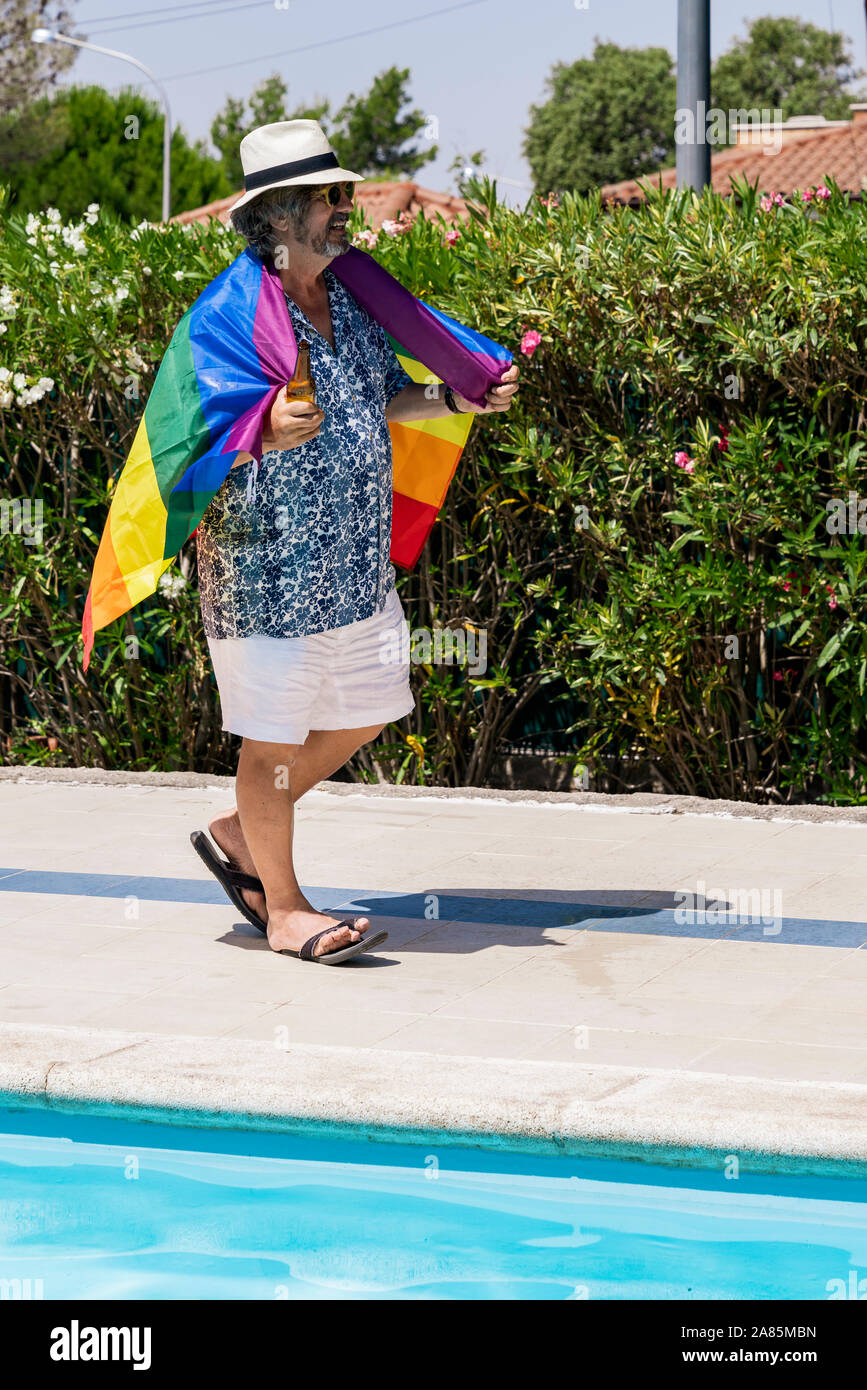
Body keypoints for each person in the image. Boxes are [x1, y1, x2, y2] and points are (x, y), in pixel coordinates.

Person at [193, 120, 519, 964]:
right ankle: (285, 908)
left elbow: (382, 398)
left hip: (350, 560)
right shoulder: (227, 312)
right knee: (269, 742)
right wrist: (262, 425)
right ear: (276, 213)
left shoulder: (354, 298)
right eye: (328, 196)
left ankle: (241, 827)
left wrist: (454, 400)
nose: (346, 207)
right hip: (265, 567)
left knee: (370, 713)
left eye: (345, 192)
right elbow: (188, 429)